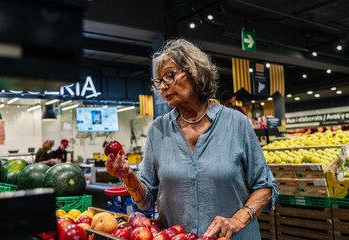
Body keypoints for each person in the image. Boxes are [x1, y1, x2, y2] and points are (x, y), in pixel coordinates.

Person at [105, 39, 278, 239]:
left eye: (169, 76)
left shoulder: (236, 123)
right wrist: (128, 176)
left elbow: (265, 187)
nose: (163, 87)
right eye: (159, 81)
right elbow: (146, 200)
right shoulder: (158, 130)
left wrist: (238, 219)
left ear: (195, 72)